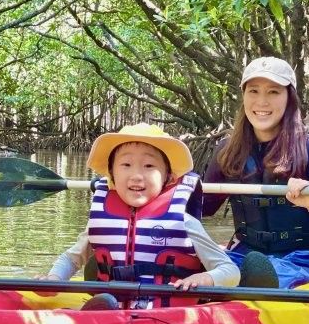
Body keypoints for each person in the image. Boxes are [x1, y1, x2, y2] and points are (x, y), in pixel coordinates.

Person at [41, 123, 240, 309]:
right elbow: (71, 259)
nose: (136, 175)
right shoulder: (100, 222)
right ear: (111, 174)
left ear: (168, 177)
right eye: (126, 165)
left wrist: (205, 279)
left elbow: (230, 271)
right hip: (109, 316)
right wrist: (54, 279)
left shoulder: (184, 222)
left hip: (166, 320)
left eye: (149, 166)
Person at [202, 57, 309, 289]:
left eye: (273, 92)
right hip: (245, 256)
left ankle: (252, 287)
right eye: (253, 91)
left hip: (306, 258)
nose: (262, 101)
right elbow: (203, 208)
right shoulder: (227, 151)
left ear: (289, 98)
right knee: (195, 270)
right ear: (243, 96)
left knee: (270, 276)